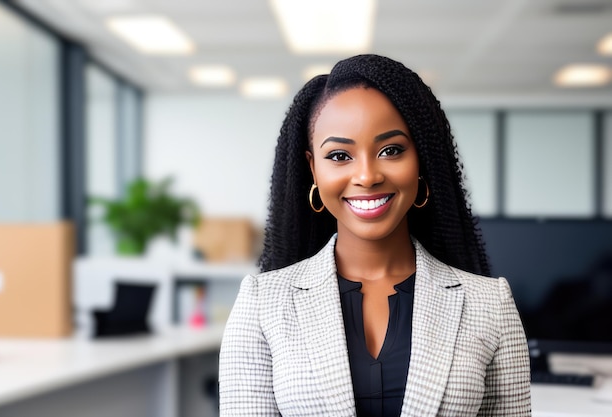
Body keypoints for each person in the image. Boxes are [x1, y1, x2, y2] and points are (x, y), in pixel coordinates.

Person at [219, 54, 531, 416]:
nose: (367, 176)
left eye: (391, 150)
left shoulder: (490, 304)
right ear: (313, 169)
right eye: (339, 155)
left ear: (421, 161)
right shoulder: (261, 304)